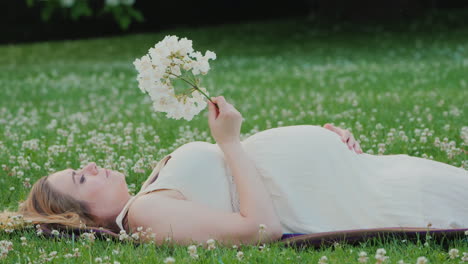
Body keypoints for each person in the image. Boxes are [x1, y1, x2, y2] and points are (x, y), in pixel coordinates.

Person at [1, 96, 467, 247]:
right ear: (88, 219)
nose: (90, 166)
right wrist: (227, 139)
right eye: (80, 180)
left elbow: (247, 175)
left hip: (364, 176)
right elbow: (259, 227)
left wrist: (330, 145)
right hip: (376, 197)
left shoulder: (147, 195)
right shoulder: (143, 215)